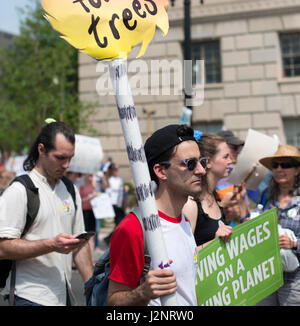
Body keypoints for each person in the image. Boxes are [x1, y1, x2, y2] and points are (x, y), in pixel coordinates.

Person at [107, 124, 207, 306]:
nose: (201, 170)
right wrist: (142, 293)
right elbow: (114, 301)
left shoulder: (184, 220)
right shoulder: (134, 227)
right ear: (161, 171)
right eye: (190, 164)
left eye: (202, 162)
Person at [0, 121, 93, 306]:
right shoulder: (20, 191)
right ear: (41, 150)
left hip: (63, 296)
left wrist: (92, 286)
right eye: (60, 157)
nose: (66, 165)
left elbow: (80, 244)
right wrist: (50, 244)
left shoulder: (70, 189)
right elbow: (3, 248)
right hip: (28, 296)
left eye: (70, 158)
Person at [256, 144, 300, 306]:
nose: (279, 169)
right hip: (265, 277)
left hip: (294, 279)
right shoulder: (266, 195)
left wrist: (294, 244)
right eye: (275, 165)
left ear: (297, 170)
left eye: (286, 165)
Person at [184, 134, 247, 247]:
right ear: (208, 162)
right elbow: (185, 255)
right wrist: (214, 243)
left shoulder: (214, 197)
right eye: (225, 157)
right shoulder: (191, 203)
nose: (231, 160)